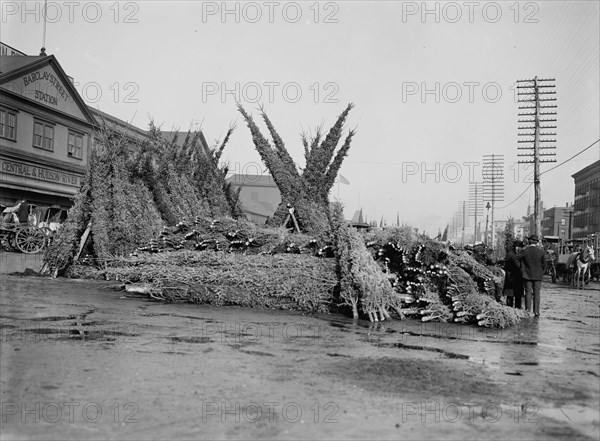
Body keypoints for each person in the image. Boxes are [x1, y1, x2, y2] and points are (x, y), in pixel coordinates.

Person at [518, 234, 546, 317]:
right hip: (538, 276)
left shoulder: (524, 251)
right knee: (537, 293)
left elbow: (515, 258)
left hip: (527, 275)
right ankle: (536, 311)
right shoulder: (541, 252)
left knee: (528, 293)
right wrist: (541, 272)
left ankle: (528, 311)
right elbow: (545, 265)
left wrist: (521, 268)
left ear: (529, 242)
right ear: (536, 242)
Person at [504, 240, 524, 308]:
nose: (519, 248)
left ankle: (517, 308)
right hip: (511, 276)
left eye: (520, 247)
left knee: (517, 295)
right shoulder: (510, 254)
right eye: (518, 247)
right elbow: (507, 266)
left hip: (517, 277)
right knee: (510, 295)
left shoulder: (518, 254)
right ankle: (509, 308)